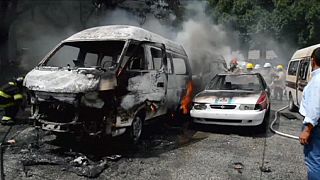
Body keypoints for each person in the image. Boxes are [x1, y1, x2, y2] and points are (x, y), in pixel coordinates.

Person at [299, 47, 320, 180]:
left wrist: (308, 129)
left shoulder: (317, 81)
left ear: (313, 61)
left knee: (314, 161)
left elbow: (315, 107)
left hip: (316, 127)